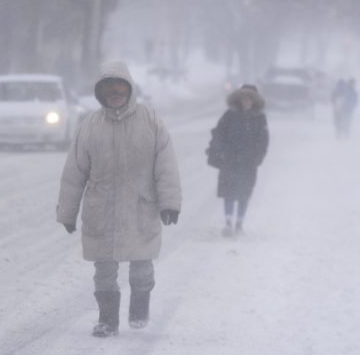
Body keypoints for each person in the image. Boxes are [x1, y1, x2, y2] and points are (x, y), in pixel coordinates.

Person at [56, 61, 182, 338]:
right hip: (101, 211)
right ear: (101, 92)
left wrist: (169, 202)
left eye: (120, 86)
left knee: (141, 268)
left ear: (129, 89)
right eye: (109, 87)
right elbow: (74, 173)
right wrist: (67, 212)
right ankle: (107, 320)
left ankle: (139, 309)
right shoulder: (90, 126)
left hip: (141, 208)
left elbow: (166, 164)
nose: (115, 92)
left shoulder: (150, 121)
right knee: (104, 271)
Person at [208, 84, 268, 237]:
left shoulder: (259, 118)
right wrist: (221, 152)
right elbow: (219, 134)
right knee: (228, 192)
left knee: (244, 193)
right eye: (244, 98)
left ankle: (239, 224)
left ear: (254, 100)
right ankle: (228, 223)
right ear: (239, 99)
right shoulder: (229, 115)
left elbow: (263, 141)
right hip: (229, 161)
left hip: (249, 163)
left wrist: (257, 157)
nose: (246, 101)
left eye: (249, 98)